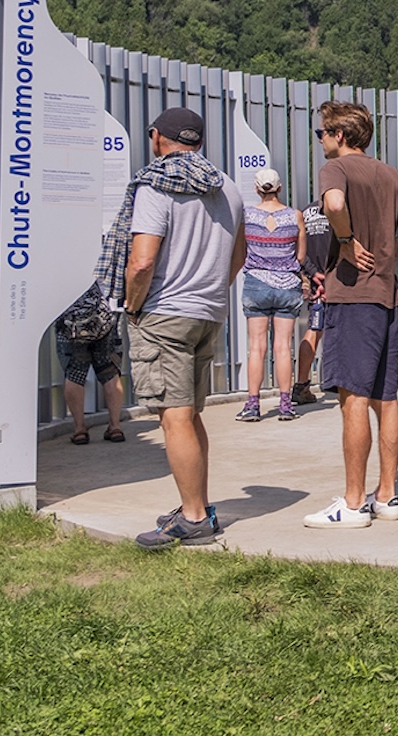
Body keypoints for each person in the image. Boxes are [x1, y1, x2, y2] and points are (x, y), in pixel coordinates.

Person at [93, 107, 245, 550]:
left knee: (172, 416)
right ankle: (194, 504)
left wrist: (134, 307)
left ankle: (194, 518)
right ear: (198, 141)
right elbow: (239, 254)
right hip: (207, 311)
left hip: (163, 312)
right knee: (190, 414)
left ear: (157, 137)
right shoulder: (228, 188)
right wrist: (212, 289)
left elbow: (141, 260)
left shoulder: (155, 185)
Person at [303, 100, 398, 529]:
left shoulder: (337, 170)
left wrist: (347, 240)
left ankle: (352, 504)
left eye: (323, 134)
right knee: (385, 399)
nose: (321, 141)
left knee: (351, 398)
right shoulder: (390, 175)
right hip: (388, 297)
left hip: (352, 297)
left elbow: (333, 204)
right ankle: (386, 496)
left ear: (340, 136)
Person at [235, 167, 307, 422]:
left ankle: (253, 406)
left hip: (256, 283)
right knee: (283, 348)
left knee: (256, 347)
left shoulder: (248, 216)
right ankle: (286, 405)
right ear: (279, 188)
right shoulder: (295, 215)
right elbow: (300, 256)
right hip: (287, 285)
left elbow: (241, 252)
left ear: (257, 188)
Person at [54, 283, 124, 445]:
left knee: (74, 373)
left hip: (70, 318)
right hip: (106, 313)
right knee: (110, 372)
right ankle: (115, 426)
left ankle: (80, 430)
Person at [291, 196, 333, 406]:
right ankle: (341, 379)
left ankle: (301, 383)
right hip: (338, 280)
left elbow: (299, 251)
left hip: (317, 281)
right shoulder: (340, 211)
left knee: (315, 329)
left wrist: (313, 273)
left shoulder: (305, 212)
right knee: (346, 330)